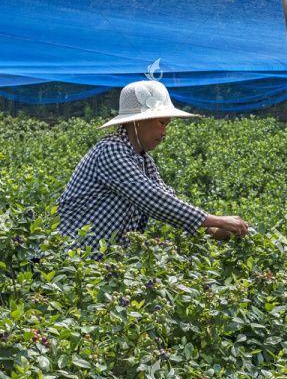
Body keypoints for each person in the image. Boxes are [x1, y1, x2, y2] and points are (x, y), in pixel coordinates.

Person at [55, 80, 249, 255]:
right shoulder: (111, 150)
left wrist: (214, 231)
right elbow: (153, 199)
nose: (164, 132)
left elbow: (168, 198)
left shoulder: (143, 160)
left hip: (100, 263)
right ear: (138, 121)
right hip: (70, 258)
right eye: (161, 123)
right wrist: (217, 220)